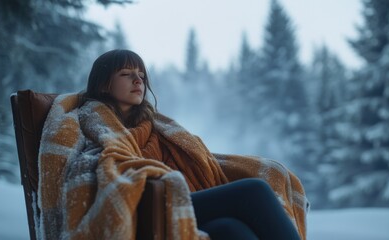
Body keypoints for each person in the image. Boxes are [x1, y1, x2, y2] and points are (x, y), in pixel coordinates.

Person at [78, 49, 302, 240]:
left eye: (142, 76)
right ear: (103, 85)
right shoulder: (93, 121)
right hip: (145, 204)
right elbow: (94, 165)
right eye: (126, 74)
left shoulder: (154, 125)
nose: (138, 81)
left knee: (229, 229)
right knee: (254, 190)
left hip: (175, 199)